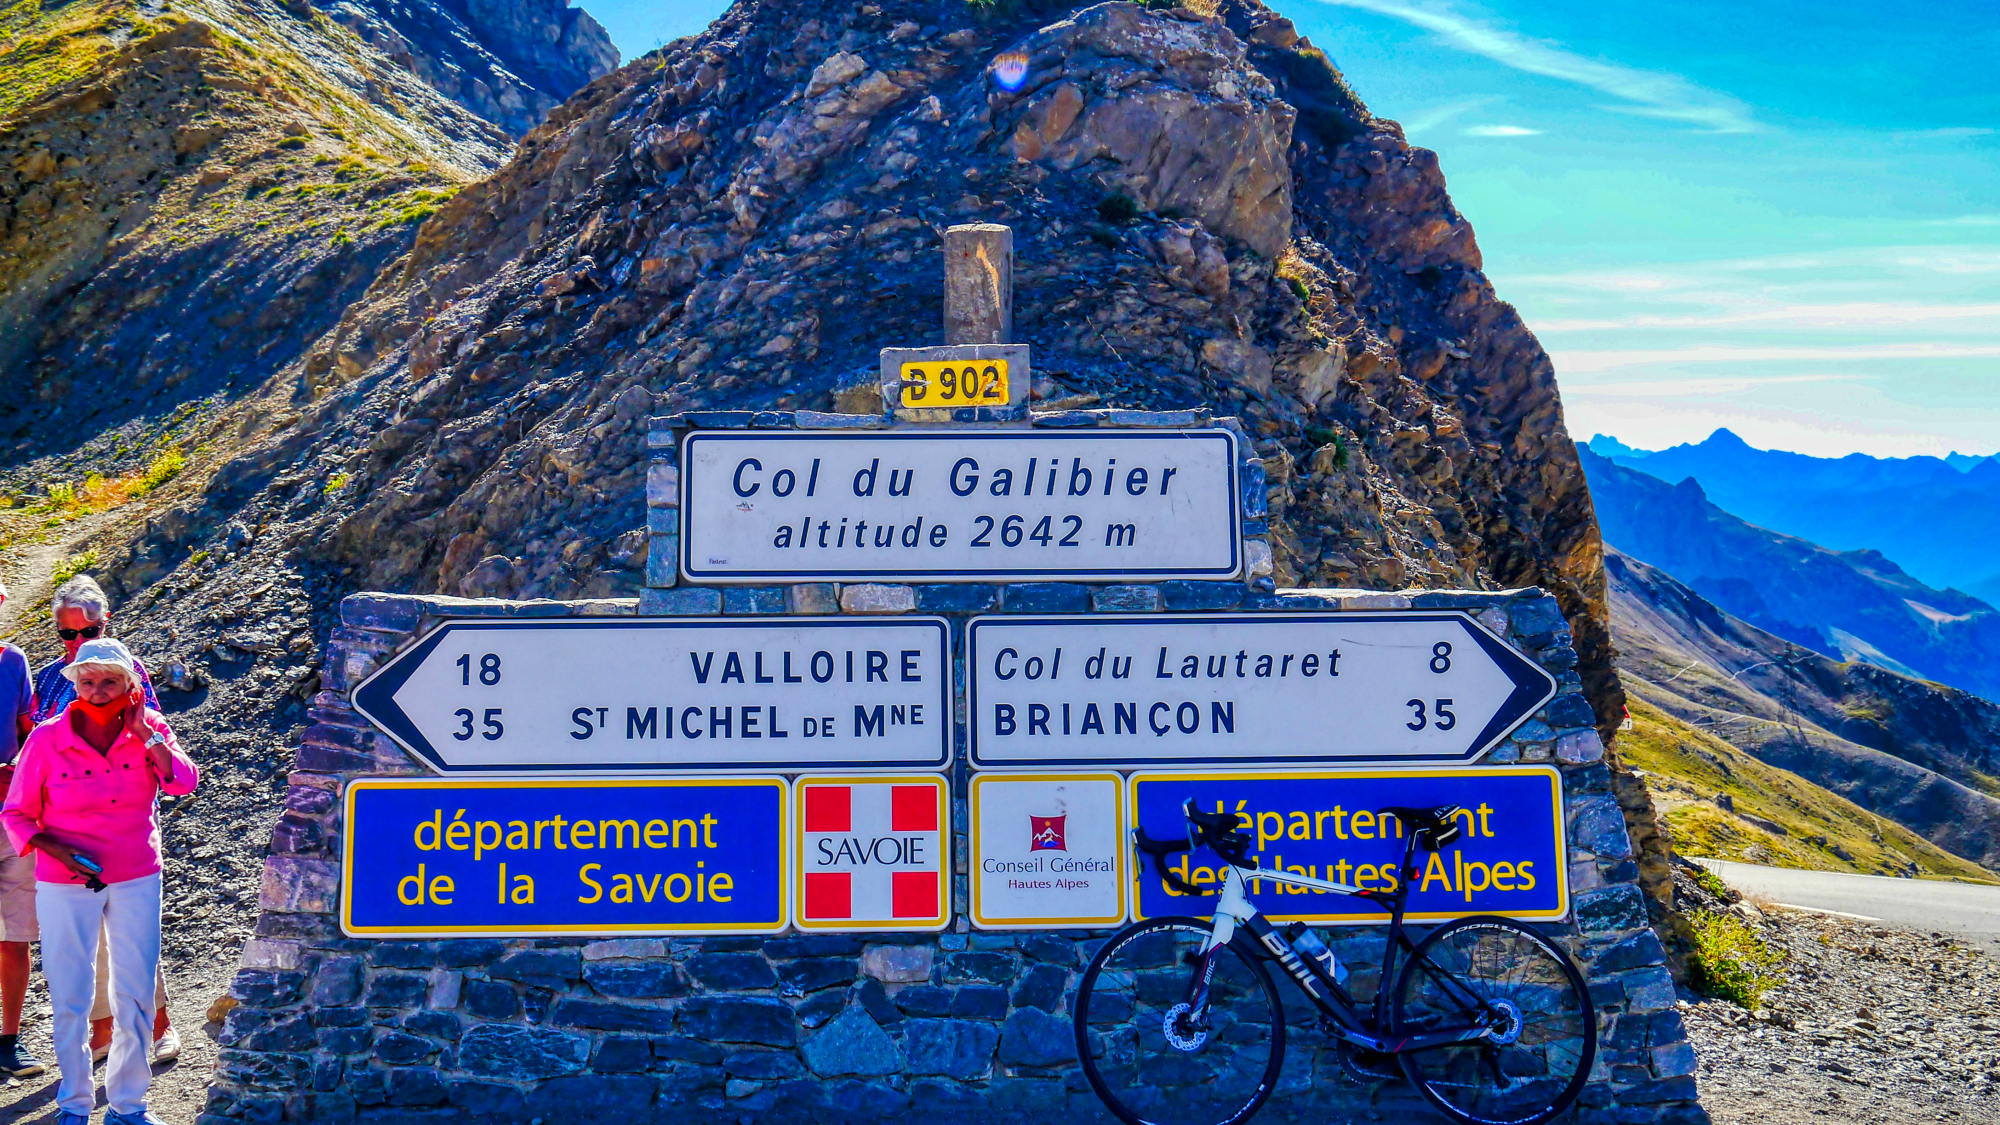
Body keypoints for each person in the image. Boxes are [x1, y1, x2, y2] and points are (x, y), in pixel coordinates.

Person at [2, 638, 196, 1125]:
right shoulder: (47, 738)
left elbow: (183, 782)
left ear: (131, 686)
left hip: (136, 874)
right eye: (88, 681)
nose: (98, 690)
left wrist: (144, 733)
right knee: (70, 992)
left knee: (132, 991)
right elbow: (18, 814)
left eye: (110, 681)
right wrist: (56, 850)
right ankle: (73, 1104)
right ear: (76, 685)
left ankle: (129, 1107)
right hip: (64, 880)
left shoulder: (150, 729)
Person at [32, 575, 179, 1064]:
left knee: (131, 936)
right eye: (66, 635)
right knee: (88, 939)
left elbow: (152, 734)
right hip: (66, 826)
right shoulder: (49, 677)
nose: (77, 644)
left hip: (127, 823)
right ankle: (101, 1033)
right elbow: (36, 737)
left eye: (86, 632)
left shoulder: (126, 669)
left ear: (105, 623)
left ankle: (158, 1025)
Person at [0, 578, 44, 1078]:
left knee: (14, 934)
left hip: (10, 813)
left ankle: (8, 1040)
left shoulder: (13, 661)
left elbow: (24, 730)